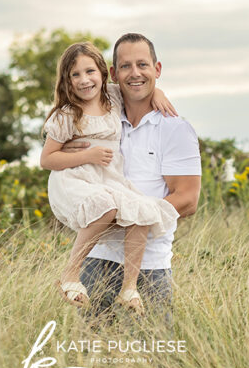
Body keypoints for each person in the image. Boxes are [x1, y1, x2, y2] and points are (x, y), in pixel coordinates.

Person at [64, 33, 201, 325]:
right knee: (90, 361)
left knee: (152, 360)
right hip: (95, 261)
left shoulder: (175, 129)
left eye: (143, 65)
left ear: (158, 70)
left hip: (149, 267)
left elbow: (188, 200)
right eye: (125, 66)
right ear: (113, 74)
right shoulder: (98, 119)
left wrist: (128, 217)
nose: (135, 73)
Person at [40, 42, 181, 314]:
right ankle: (70, 275)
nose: (84, 80)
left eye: (90, 71)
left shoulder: (113, 98)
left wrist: (158, 92)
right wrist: (86, 156)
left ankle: (129, 288)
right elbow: (47, 159)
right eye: (75, 75)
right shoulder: (67, 114)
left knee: (143, 210)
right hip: (75, 179)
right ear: (67, 81)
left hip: (108, 178)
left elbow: (139, 89)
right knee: (107, 205)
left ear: (103, 73)